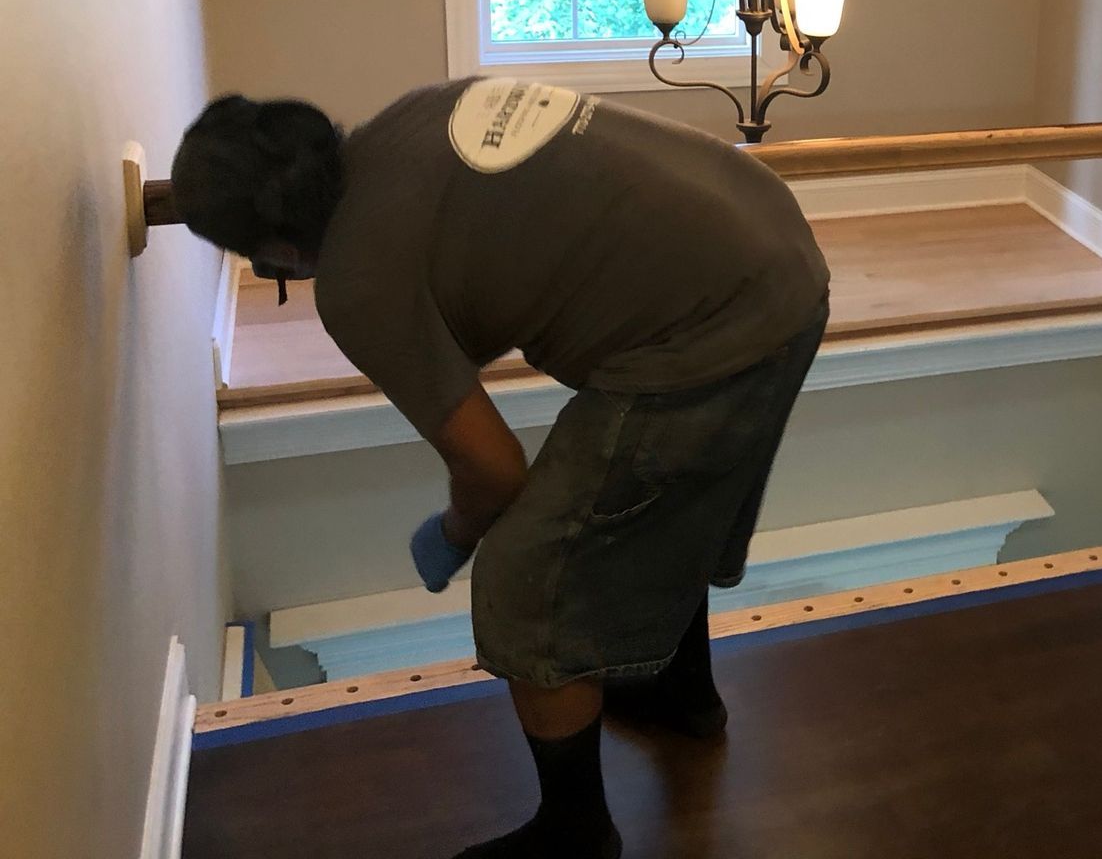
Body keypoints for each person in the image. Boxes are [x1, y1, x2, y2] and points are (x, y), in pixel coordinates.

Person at [170, 78, 831, 858]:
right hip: (772, 236)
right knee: (659, 508)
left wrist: (453, 534)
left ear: (277, 252)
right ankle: (678, 694)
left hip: (716, 318)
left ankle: (574, 834)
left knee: (527, 579)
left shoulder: (357, 284)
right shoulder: (409, 115)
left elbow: (493, 469)